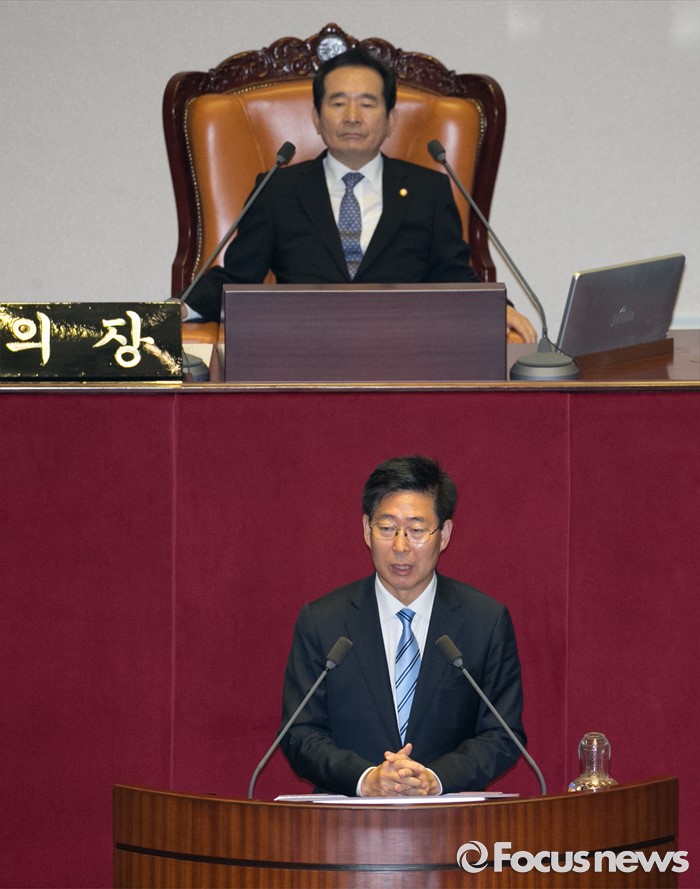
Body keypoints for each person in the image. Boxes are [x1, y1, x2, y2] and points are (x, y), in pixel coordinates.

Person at [180, 48, 537, 343]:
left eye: (367, 104)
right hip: (302, 350)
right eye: (338, 104)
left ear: (390, 120)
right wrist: (176, 310)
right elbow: (237, 278)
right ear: (316, 119)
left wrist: (497, 308)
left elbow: (453, 276)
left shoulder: (428, 190)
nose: (352, 117)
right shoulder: (278, 189)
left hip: (405, 352)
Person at [280, 455, 526, 797]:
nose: (400, 546)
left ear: (444, 535)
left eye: (417, 530)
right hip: (344, 821)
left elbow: (502, 735)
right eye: (386, 528)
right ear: (366, 530)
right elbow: (299, 733)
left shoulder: (485, 621)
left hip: (452, 819)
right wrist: (366, 779)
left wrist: (435, 778)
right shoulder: (322, 621)